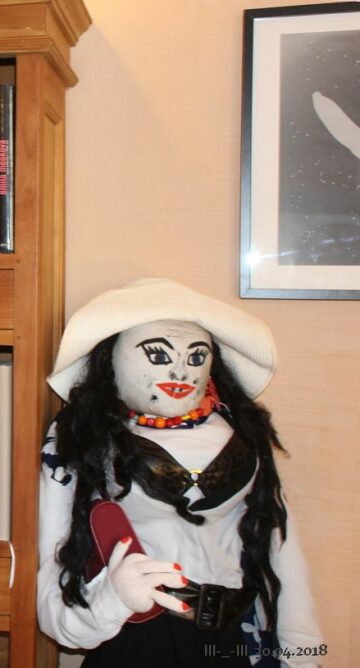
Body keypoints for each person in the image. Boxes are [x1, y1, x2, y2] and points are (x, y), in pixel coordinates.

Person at [37, 278, 323, 667]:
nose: (180, 371)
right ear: (110, 359)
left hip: (229, 640)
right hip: (138, 637)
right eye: (157, 355)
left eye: (196, 356)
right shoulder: (85, 435)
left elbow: (281, 547)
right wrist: (109, 603)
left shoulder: (241, 429)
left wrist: (302, 654)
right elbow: (55, 560)